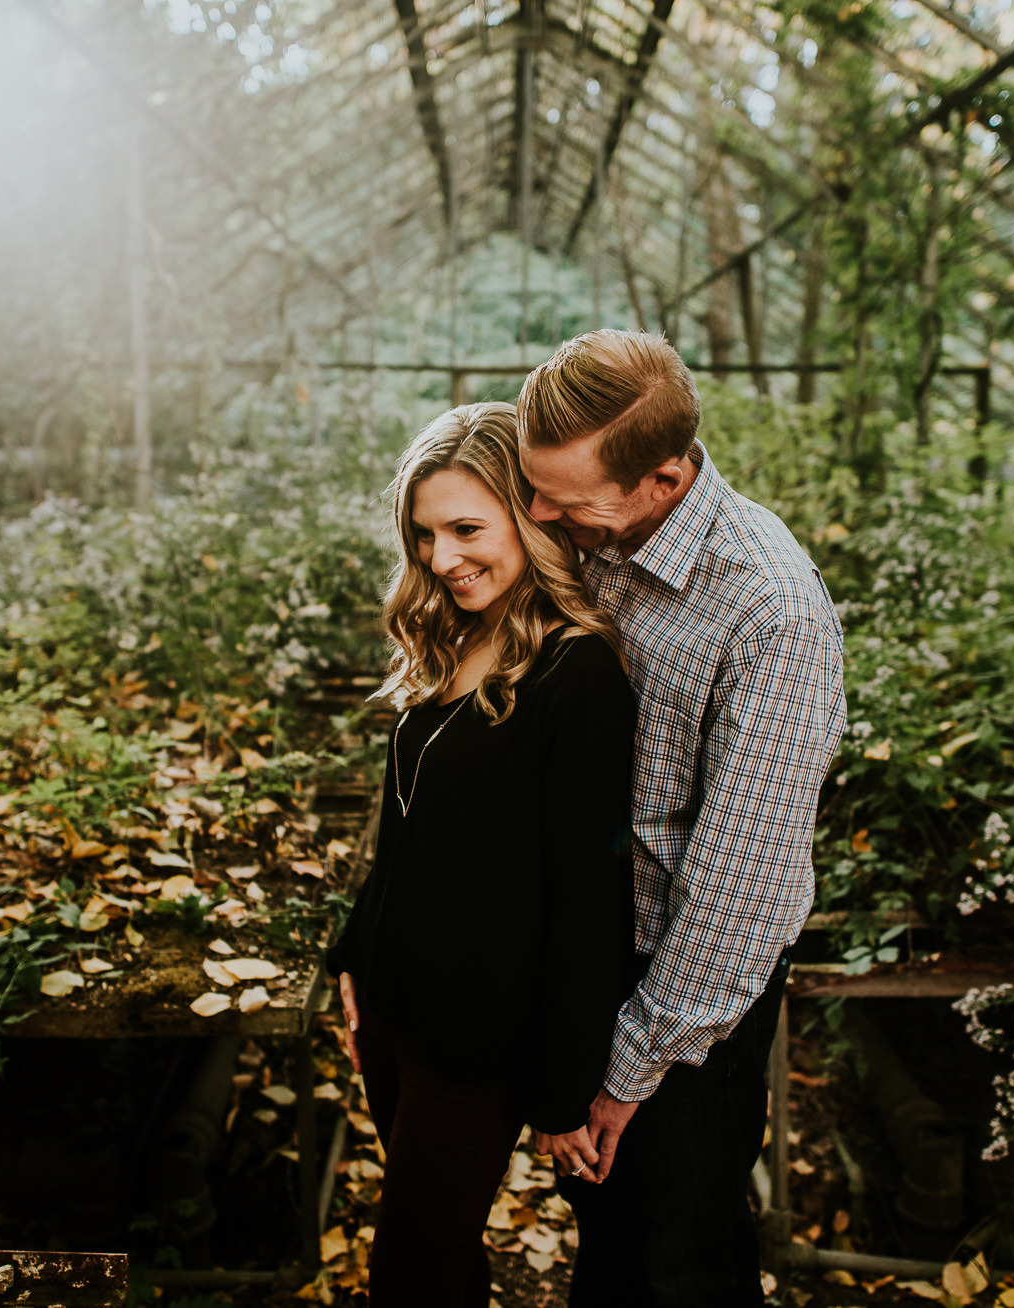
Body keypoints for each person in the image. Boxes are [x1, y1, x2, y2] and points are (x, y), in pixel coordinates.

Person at [516, 330, 847, 1307]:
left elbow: (741, 889)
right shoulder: (598, 533)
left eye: (566, 504)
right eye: (534, 489)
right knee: (607, 1229)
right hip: (590, 939)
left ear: (663, 478)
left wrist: (626, 1070)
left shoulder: (770, 612)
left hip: (686, 984)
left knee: (680, 1246)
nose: (538, 514)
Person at [324, 401, 639, 1307]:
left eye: (467, 528)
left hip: (476, 1045)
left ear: (530, 520)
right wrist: (356, 952)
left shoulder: (576, 677)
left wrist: (561, 1089)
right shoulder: (458, 631)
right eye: (425, 534)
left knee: (408, 1276)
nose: (442, 557)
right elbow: (407, 825)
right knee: (443, 1260)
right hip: (391, 1011)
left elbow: (587, 898)